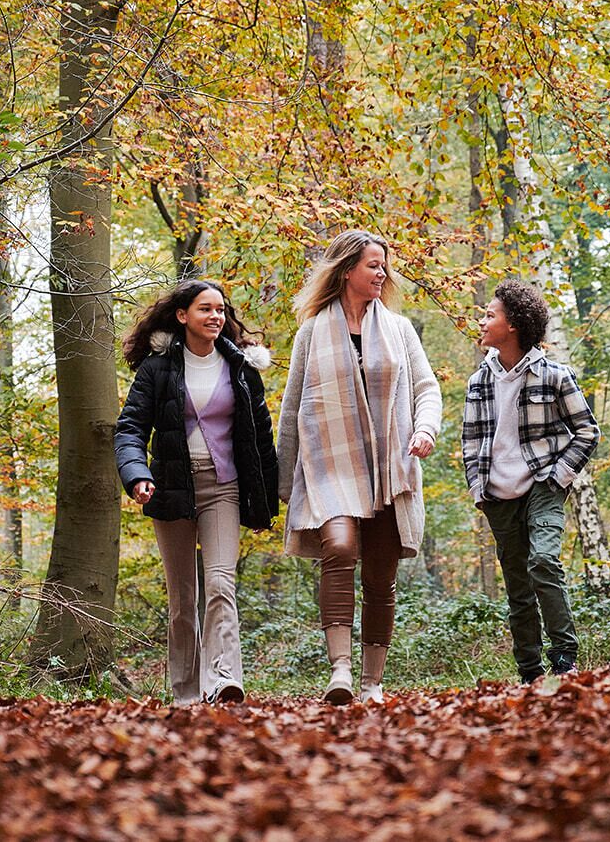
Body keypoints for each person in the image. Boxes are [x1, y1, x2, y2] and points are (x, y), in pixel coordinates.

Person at [276, 230, 442, 704]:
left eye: (383, 265)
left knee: (380, 576)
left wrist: (425, 429)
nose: (382, 272)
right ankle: (341, 672)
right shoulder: (311, 331)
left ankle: (373, 681)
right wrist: (283, 481)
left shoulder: (400, 329)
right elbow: (292, 407)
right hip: (331, 463)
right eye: (373, 264)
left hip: (392, 464)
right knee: (341, 548)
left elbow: (427, 388)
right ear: (347, 269)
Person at [115, 280, 279, 705]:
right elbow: (131, 428)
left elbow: (261, 435)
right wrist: (136, 476)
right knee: (183, 597)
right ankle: (186, 690)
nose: (216, 317)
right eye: (205, 309)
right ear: (182, 316)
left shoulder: (240, 369)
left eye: (221, 310)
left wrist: (267, 499)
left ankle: (222, 678)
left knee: (221, 583)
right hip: (169, 487)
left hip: (223, 487)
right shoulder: (157, 369)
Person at [462, 279, 599, 683]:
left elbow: (587, 431)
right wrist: (478, 491)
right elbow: (470, 440)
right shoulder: (478, 382)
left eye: (490, 314)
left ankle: (564, 658)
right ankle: (529, 672)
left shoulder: (555, 375)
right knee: (518, 589)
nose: (482, 320)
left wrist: (558, 478)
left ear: (514, 325)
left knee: (543, 561)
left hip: (543, 485)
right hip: (496, 494)